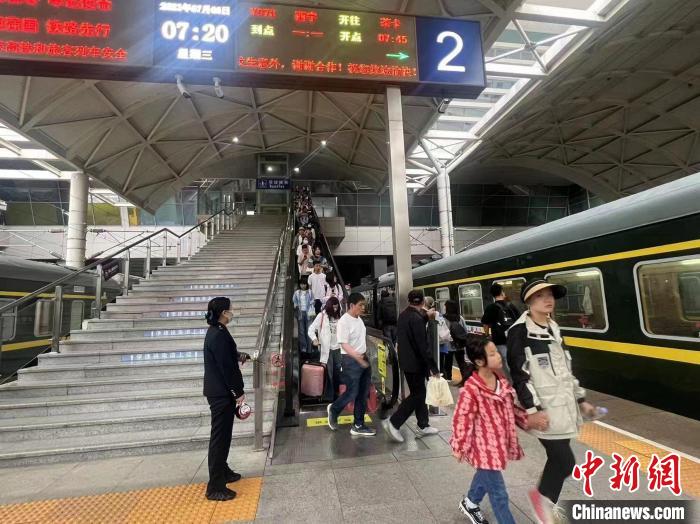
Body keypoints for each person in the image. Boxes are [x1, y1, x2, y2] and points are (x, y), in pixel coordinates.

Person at [507, 279, 599, 524]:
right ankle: (542, 502)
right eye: (540, 296)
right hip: (544, 409)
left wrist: (581, 399)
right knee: (565, 461)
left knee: (559, 460)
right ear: (528, 301)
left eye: (550, 295)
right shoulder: (519, 331)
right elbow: (519, 374)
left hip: (564, 407)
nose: (548, 300)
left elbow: (565, 369)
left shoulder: (553, 326)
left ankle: (547, 505)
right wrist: (532, 410)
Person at [450, 336, 528, 524]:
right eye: (492, 354)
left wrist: (528, 420)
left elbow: (512, 408)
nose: (499, 355)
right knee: (499, 494)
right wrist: (459, 446)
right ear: (479, 361)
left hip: (499, 443)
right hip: (483, 447)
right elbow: (462, 418)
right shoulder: (472, 389)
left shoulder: (501, 381)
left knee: (485, 475)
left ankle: (470, 503)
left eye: (496, 351)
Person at [202, 297, 246, 501]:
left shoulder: (218, 331)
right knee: (219, 439)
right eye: (230, 309)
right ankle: (215, 487)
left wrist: (238, 355)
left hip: (220, 392)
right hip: (221, 393)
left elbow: (226, 356)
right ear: (223, 313)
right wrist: (238, 392)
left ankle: (223, 470)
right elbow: (226, 368)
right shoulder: (217, 334)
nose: (232, 311)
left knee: (224, 436)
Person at [383, 289, 440, 443]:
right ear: (423, 302)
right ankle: (394, 422)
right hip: (416, 364)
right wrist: (434, 368)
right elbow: (423, 346)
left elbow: (413, 327)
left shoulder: (403, 315)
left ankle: (423, 425)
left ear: (409, 301)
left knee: (419, 392)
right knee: (418, 394)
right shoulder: (417, 318)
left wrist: (425, 317)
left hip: (406, 362)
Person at [327, 293, 376, 436]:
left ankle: (358, 425)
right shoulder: (344, 321)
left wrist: (365, 356)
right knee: (352, 392)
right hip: (350, 360)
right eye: (360, 305)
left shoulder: (359, 319)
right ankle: (334, 409)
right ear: (351, 305)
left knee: (363, 393)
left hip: (363, 358)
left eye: (364, 305)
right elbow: (344, 343)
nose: (363, 308)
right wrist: (358, 358)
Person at [481, 284, 520, 382]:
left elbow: (485, 324)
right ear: (502, 292)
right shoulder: (511, 306)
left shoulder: (491, 307)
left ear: (493, 295)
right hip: (513, 339)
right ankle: (518, 380)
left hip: (499, 340)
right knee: (515, 360)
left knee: (504, 363)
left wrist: (487, 335)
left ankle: (510, 383)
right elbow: (519, 320)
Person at [308, 296, 343, 401]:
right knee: (329, 373)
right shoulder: (322, 316)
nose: (335, 309)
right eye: (334, 307)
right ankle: (330, 396)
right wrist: (314, 339)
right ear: (329, 307)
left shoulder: (340, 316)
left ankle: (338, 393)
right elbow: (311, 329)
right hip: (327, 350)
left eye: (337, 307)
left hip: (338, 348)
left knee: (338, 372)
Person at [444, 299, 470, 386]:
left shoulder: (444, 319)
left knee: (448, 362)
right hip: (460, 344)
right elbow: (465, 331)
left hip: (448, 345)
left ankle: (448, 379)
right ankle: (465, 379)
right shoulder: (460, 318)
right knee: (462, 363)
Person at [293, 279, 314, 356]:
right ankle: (303, 348)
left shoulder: (310, 292)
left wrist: (310, 303)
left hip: (309, 313)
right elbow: (294, 301)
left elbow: (313, 301)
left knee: (309, 331)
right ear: (299, 284)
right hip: (300, 313)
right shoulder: (297, 292)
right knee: (301, 331)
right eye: (301, 284)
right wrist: (296, 306)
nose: (303, 285)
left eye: (304, 284)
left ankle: (309, 348)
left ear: (306, 284)